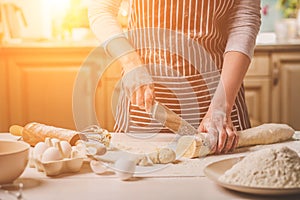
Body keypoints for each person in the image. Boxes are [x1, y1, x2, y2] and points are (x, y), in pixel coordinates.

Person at [88, 0, 261, 154]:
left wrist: (221, 106)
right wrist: (131, 62)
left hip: (219, 101)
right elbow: (101, 8)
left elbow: (244, 19)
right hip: (146, 104)